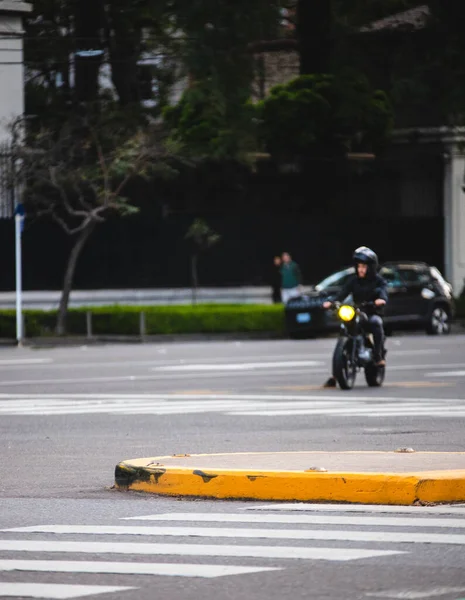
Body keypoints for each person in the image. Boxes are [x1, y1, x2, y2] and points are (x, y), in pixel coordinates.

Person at [322, 246, 388, 387]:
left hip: (371, 312)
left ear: (370, 267)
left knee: (376, 323)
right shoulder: (353, 281)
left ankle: (378, 357)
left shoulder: (379, 281)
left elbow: (383, 292)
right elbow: (342, 293)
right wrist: (332, 302)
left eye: (363, 266)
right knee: (343, 331)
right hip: (356, 311)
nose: (361, 269)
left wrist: (380, 300)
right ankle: (335, 374)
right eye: (359, 266)